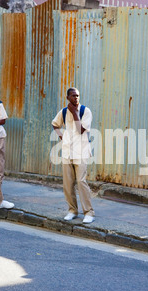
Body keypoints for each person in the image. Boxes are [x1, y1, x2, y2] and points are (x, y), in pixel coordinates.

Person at [51, 87, 95, 224]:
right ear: (67, 97)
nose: (76, 98)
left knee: (81, 182)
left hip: (81, 151)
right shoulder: (63, 112)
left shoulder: (85, 111)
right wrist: (61, 137)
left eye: (77, 96)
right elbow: (55, 124)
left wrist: (75, 113)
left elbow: (81, 130)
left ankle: (88, 212)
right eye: (73, 96)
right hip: (67, 151)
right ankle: (72, 210)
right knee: (68, 183)